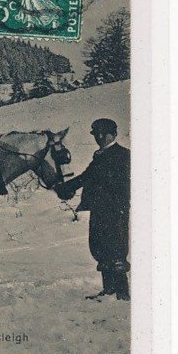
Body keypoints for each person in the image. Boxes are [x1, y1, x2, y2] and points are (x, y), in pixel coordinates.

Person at [55, 118, 130, 301]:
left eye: (100, 134)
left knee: (116, 251)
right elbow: (88, 176)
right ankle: (109, 290)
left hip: (114, 211)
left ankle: (122, 293)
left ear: (110, 134)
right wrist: (67, 186)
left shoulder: (123, 155)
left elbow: (121, 185)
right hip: (100, 209)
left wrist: (119, 207)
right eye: (97, 134)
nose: (98, 138)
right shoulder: (100, 155)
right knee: (99, 247)